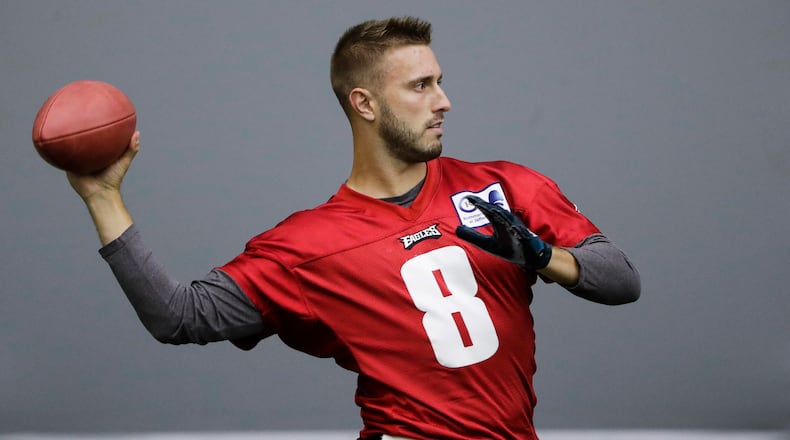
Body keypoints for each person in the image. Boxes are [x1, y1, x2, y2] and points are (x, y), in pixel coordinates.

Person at [67, 16, 640, 440]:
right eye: (419, 86)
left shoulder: (501, 188)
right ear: (364, 103)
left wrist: (542, 257)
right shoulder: (307, 246)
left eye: (439, 81)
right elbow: (180, 316)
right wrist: (102, 196)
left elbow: (621, 280)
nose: (443, 101)